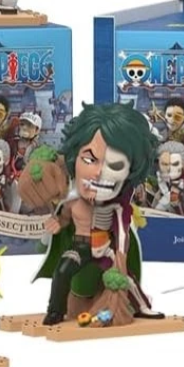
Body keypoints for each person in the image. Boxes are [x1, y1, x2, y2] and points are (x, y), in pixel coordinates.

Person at [35, 102, 164, 325]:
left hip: (106, 248)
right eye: (89, 159)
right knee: (63, 270)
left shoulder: (118, 207)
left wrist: (120, 258)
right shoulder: (72, 201)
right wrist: (56, 223)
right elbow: (63, 218)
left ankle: (142, 306)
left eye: (115, 166)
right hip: (80, 246)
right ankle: (55, 311)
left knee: (126, 279)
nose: (98, 173)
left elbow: (122, 233)